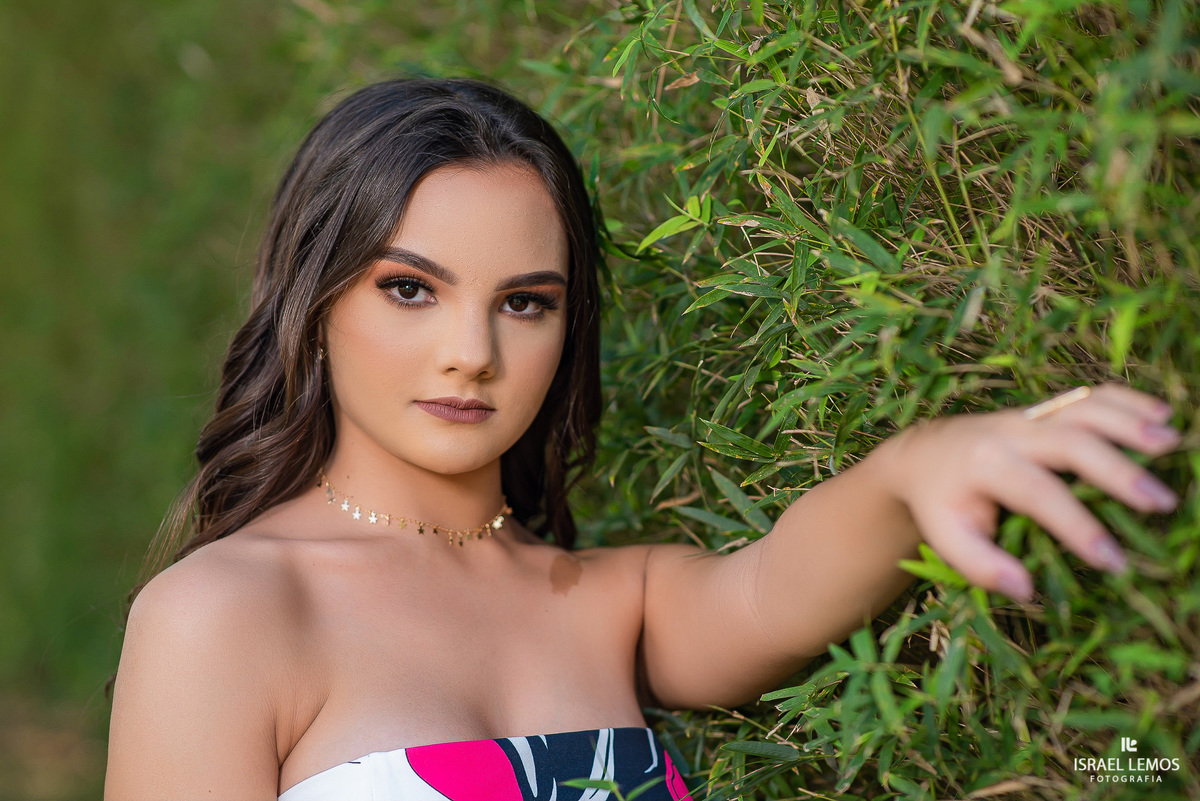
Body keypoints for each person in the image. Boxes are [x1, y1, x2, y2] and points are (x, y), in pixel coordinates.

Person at [103, 77, 1182, 801]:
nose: (472, 353)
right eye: (411, 289)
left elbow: (773, 589)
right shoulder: (223, 616)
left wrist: (920, 466)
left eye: (525, 302)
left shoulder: (609, 604)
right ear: (316, 302)